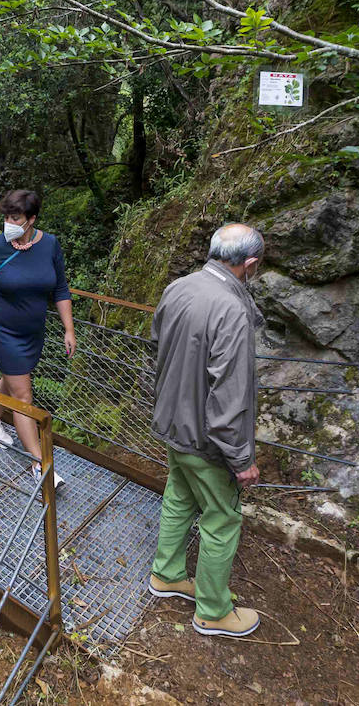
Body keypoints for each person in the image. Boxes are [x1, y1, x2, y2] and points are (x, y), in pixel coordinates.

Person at [146, 223, 266, 639]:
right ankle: (213, 611)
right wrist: (241, 459)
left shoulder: (178, 287)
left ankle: (166, 574)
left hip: (173, 423)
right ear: (249, 264)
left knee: (179, 496)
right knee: (222, 518)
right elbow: (230, 393)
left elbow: (156, 347)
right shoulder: (233, 309)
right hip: (207, 438)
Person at [0, 189, 75, 490]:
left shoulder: (49, 245)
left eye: (16, 218)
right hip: (3, 331)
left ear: (32, 219)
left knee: (14, 379)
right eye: (6, 217)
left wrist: (69, 329)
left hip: (33, 332)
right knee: (23, 396)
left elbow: (60, 289)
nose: (8, 222)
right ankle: (40, 464)